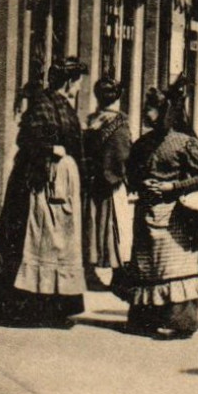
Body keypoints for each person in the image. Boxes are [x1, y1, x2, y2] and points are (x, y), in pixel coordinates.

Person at [0, 58, 88, 328]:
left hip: (59, 188)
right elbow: (28, 138)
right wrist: (52, 150)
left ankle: (54, 307)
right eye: (79, 81)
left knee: (58, 244)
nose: (80, 87)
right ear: (70, 81)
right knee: (36, 243)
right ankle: (28, 308)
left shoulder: (62, 105)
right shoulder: (44, 103)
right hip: (38, 187)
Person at [124, 82, 198, 339]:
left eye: (150, 109)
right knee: (147, 266)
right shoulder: (141, 143)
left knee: (173, 267)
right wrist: (142, 182)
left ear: (165, 112)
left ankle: (179, 321)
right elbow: (129, 173)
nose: (145, 114)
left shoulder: (186, 143)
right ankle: (146, 319)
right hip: (147, 212)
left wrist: (173, 185)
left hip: (175, 216)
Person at [82, 77, 133, 292]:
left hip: (92, 182)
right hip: (111, 185)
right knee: (115, 227)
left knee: (92, 226)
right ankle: (118, 273)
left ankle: (90, 270)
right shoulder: (120, 123)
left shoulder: (91, 121)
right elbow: (123, 156)